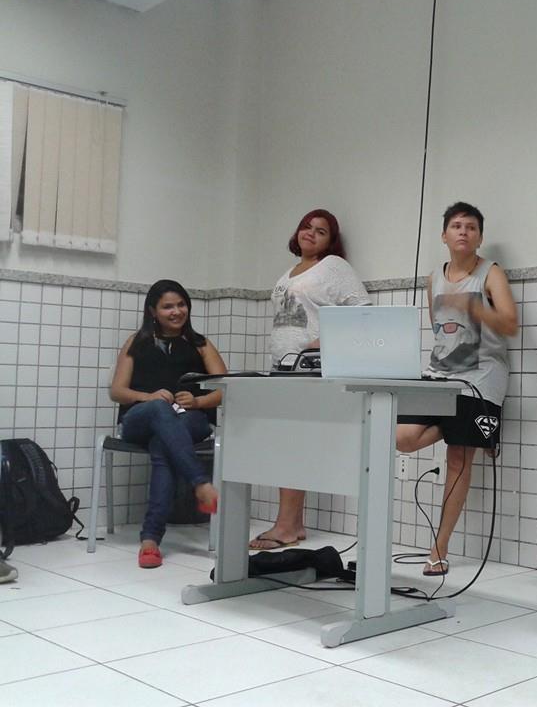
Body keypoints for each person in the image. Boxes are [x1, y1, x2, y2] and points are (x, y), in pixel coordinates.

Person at [396, 202, 517, 575]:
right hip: (439, 373)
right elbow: (439, 327)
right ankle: (479, 433)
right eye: (457, 226)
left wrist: (477, 309)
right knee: (403, 438)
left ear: (479, 237)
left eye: (471, 227)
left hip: (480, 375)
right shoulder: (434, 277)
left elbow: (510, 324)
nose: (464, 231)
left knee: (457, 458)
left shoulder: (490, 273)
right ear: (444, 235)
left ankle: (439, 547)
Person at [249, 208, 371, 550]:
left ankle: (285, 526)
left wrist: (324, 341)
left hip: (310, 368)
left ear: (331, 241)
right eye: (307, 227)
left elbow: (363, 310)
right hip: (283, 367)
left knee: (293, 442)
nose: (311, 233)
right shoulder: (288, 273)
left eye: (321, 231)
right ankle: (294, 523)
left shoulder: (334, 267)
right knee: (287, 442)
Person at [109, 280, 225, 569]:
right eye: (168, 307)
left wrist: (198, 401)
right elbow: (117, 391)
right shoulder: (136, 342)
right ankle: (200, 483)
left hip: (189, 418)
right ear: (153, 311)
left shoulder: (200, 344)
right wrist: (148, 397)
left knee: (164, 443)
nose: (177, 311)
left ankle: (150, 540)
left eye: (181, 304)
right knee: (160, 410)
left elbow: (227, 390)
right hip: (140, 419)